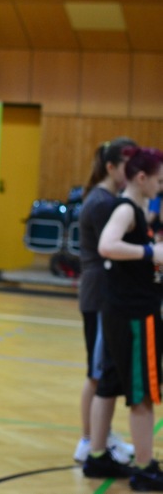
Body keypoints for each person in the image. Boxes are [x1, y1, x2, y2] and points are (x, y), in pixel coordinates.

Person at [89, 146, 163, 490]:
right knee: (142, 392)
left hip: (120, 309)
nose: (160, 187)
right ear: (142, 178)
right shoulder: (125, 209)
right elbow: (107, 245)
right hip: (134, 315)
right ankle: (145, 469)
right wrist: (150, 252)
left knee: (109, 383)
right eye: (159, 181)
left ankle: (97, 455)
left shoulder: (138, 209)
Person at [75, 138, 137, 468]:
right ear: (111, 167)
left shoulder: (109, 200)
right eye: (129, 165)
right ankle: (88, 440)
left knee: (102, 371)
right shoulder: (102, 203)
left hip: (103, 294)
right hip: (100, 295)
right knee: (97, 372)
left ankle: (102, 434)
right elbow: (113, 250)